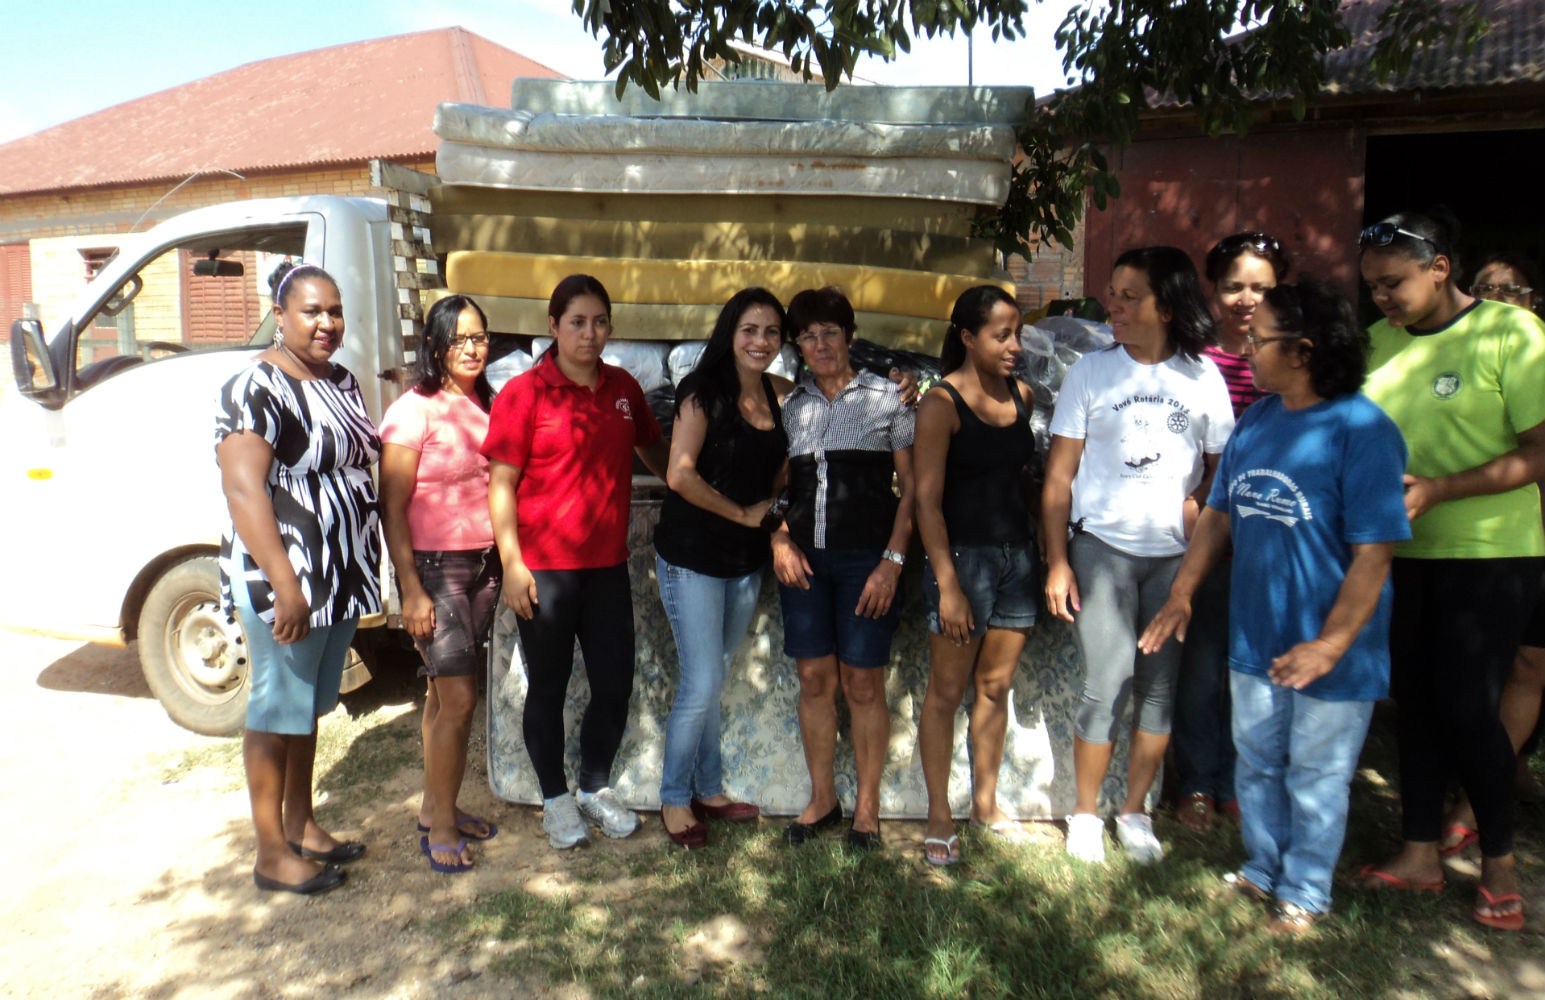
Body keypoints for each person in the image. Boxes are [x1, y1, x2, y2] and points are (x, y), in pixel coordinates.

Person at [1141, 280, 1410, 933]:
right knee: (1258, 761)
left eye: (1259, 340)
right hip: (1255, 636)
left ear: (1304, 351)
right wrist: (1181, 594)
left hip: (1332, 650)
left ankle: (1305, 890)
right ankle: (1263, 869)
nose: (1247, 348)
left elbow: (1373, 554)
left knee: (1317, 774)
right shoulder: (1258, 419)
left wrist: (1328, 645)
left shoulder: (1364, 431)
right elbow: (1217, 514)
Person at [1356, 212, 1545, 933]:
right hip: (1398, 554)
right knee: (1415, 705)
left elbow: (1538, 451)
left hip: (1491, 553)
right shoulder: (1375, 345)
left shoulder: (1508, 332)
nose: (1381, 298)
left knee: (1469, 706)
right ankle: (1417, 853)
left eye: (1393, 282)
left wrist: (1439, 489)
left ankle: (1498, 860)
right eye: (1372, 286)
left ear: (1439, 267)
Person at [1042, 246, 1235, 865]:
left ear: (1168, 304)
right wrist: (1058, 559)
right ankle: (1085, 815)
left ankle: (1135, 813)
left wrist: (1197, 505)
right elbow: (1058, 478)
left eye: (1129, 296)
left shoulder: (1202, 377)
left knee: (1159, 689)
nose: (1113, 306)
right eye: (1113, 293)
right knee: (1106, 682)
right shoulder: (1092, 374)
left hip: (1172, 560)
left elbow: (1220, 471)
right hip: (1101, 551)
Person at [483, 274, 669, 851]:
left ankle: (594, 787)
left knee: (615, 683)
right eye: (577, 322)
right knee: (550, 687)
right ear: (554, 327)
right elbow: (501, 485)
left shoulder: (623, 388)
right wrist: (513, 565)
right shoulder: (525, 394)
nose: (590, 334)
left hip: (607, 567)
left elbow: (655, 451)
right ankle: (556, 798)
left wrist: (690, 483)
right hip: (545, 572)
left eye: (600, 322)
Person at [216, 262, 380, 894]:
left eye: (334, 311)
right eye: (312, 311)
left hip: (334, 574)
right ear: (279, 315)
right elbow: (242, 488)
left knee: (306, 703)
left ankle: (301, 824)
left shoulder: (340, 379)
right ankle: (269, 854)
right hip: (285, 572)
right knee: (273, 705)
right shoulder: (253, 385)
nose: (327, 323)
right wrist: (285, 583)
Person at [774, 286, 916, 851]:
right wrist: (780, 540)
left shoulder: (888, 399)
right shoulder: (792, 407)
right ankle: (822, 799)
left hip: (867, 562)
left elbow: (912, 492)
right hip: (804, 562)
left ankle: (868, 809)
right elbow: (779, 490)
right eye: (807, 335)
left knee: (862, 682)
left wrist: (893, 561)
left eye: (830, 331)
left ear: (850, 335)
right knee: (814, 679)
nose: (820, 343)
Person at [652, 288, 791, 848]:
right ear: (730, 332)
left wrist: (776, 511)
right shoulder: (701, 393)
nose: (761, 342)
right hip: (693, 557)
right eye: (750, 330)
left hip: (744, 562)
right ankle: (673, 799)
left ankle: (709, 789)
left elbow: (778, 473)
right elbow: (679, 475)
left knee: (716, 675)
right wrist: (743, 513)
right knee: (702, 679)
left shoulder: (778, 395)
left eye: (772, 333)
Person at [914, 285, 1038, 866]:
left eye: (1018, 333)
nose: (1015, 346)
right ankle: (940, 814)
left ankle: (984, 804)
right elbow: (926, 503)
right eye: (1001, 334)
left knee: (994, 689)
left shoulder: (1024, 396)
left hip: (1018, 560)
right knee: (945, 693)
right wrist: (948, 584)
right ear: (967, 338)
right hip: (963, 561)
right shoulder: (940, 405)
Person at [1172, 232, 1290, 833]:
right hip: (1208, 537)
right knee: (1202, 664)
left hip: (1275, 542)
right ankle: (1196, 782)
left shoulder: (1295, 364)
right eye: (1234, 286)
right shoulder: (1192, 363)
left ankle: (1246, 780)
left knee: (1261, 669)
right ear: (1213, 291)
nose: (1247, 299)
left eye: (1261, 288)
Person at [379, 294, 501, 874]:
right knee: (458, 699)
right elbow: (393, 505)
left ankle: (435, 807)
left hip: (485, 565)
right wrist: (410, 588)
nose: (473, 348)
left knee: (438, 694)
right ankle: (444, 827)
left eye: (480, 338)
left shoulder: (489, 405)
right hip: (434, 567)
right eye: (460, 339)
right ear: (436, 346)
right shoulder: (413, 409)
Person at [1440, 251, 1545, 846]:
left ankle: (1483, 799)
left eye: (1515, 290)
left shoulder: (1536, 353)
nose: (1502, 299)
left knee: (1529, 665)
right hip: (1494, 539)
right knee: (1487, 671)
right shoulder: (1462, 357)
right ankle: (1483, 791)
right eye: (1487, 288)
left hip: (1534, 538)